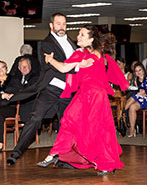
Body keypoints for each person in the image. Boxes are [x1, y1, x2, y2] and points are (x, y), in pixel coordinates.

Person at [36, 25, 129, 176]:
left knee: (84, 127)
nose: (78, 37)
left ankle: (59, 154)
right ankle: (56, 153)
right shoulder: (99, 54)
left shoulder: (81, 54)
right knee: (83, 126)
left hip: (90, 97)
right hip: (95, 96)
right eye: (79, 34)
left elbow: (63, 69)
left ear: (91, 39)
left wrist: (50, 60)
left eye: (82, 35)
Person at [7, 13, 89, 166]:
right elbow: (61, 66)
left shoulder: (71, 43)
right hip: (50, 89)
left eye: (64, 23)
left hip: (67, 92)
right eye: (58, 24)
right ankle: (16, 153)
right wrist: (78, 66)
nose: (61, 27)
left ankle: (64, 159)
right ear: (51, 26)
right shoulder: (46, 44)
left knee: (68, 125)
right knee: (35, 118)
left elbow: (70, 63)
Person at [124, 62, 147, 137]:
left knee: (133, 96)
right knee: (132, 107)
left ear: (143, 70)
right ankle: (133, 129)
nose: (138, 72)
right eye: (136, 71)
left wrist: (145, 92)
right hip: (140, 99)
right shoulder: (136, 80)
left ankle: (121, 114)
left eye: (139, 70)